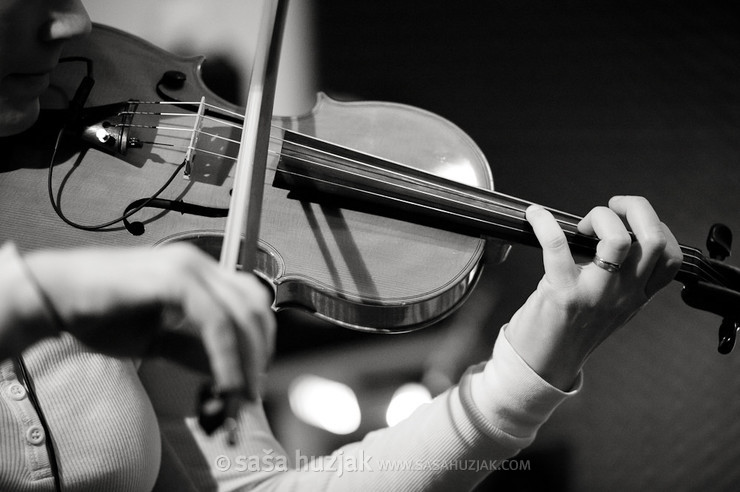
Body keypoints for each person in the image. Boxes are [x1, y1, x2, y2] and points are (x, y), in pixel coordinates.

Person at [0, 1, 683, 491]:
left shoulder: (110, 213)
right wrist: (48, 296)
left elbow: (252, 483)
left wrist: (527, 370)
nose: (72, 23)